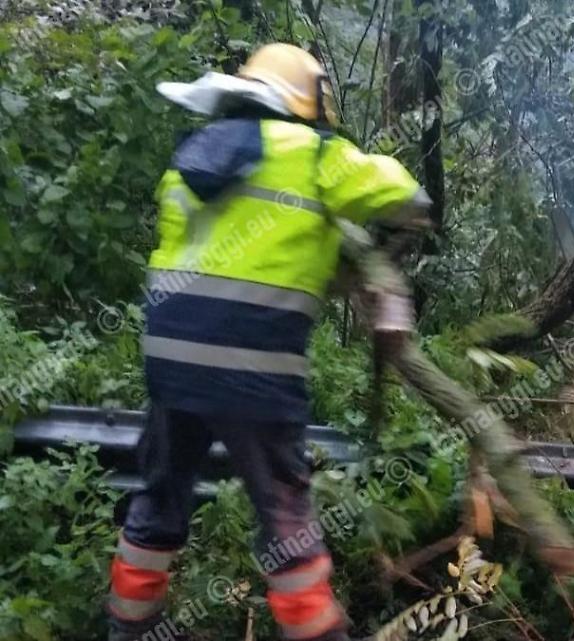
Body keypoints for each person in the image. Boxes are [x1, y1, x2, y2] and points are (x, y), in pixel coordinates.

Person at [106, 43, 430, 641]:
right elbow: (402, 192)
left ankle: (129, 627)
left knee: (160, 494)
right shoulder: (312, 154)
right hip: (253, 364)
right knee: (285, 515)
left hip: (170, 357)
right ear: (306, 101)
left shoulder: (193, 155)